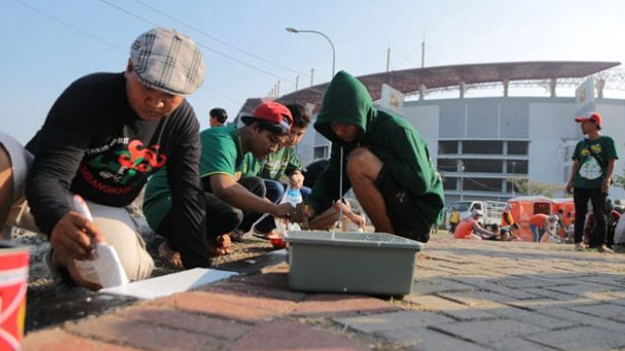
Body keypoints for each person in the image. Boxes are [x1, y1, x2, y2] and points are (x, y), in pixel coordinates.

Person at [0, 28, 208, 290]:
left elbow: (187, 194)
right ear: (130, 67)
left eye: (169, 95)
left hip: (94, 207)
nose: (156, 101)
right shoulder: (91, 94)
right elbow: (50, 174)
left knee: (122, 269)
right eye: (148, 86)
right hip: (34, 190)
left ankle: (63, 261)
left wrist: (201, 272)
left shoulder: (182, 125)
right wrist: (56, 218)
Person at [292, 71, 444, 241]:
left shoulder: (397, 130)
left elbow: (420, 182)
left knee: (359, 160)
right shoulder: (344, 139)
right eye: (334, 126)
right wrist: (311, 206)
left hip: (418, 214)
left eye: (345, 125)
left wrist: (376, 152)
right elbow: (334, 177)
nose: (339, 131)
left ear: (359, 115)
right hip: (398, 209)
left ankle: (386, 237)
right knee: (354, 160)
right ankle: (387, 234)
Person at [144, 101, 297, 265]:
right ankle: (172, 245)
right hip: (164, 203)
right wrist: (274, 208)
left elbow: (248, 194)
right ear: (253, 128)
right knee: (231, 215)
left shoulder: (251, 153)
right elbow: (224, 189)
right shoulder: (221, 139)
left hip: (191, 199)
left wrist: (281, 211)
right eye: (272, 140)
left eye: (279, 145)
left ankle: (212, 237)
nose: (274, 148)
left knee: (256, 185)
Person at [253, 103, 312, 236]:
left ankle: (269, 228)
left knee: (306, 193)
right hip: (256, 189)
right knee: (277, 188)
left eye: (299, 134)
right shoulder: (265, 142)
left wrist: (297, 176)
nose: (293, 139)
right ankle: (255, 226)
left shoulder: (289, 149)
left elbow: (294, 168)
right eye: (291, 132)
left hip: (273, 192)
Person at [565, 111, 617, 253]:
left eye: (585, 122)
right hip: (580, 184)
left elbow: (611, 162)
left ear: (595, 123)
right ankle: (578, 242)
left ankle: (602, 244)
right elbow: (576, 164)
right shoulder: (580, 145)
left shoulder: (607, 141)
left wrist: (607, 179)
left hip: (598, 183)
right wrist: (570, 182)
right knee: (580, 213)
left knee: (600, 213)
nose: (582, 125)